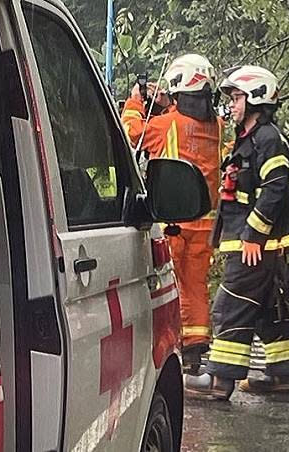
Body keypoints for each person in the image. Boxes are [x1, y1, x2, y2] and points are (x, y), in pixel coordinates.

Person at [185, 65, 289, 400]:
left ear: (257, 97)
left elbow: (275, 189)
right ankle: (282, 377)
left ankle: (219, 382)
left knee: (230, 306)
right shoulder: (252, 140)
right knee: (267, 308)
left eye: (236, 98)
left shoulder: (267, 139)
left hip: (257, 244)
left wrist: (253, 236)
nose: (231, 105)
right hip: (260, 243)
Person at [120, 54, 222, 371]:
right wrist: (165, 102)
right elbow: (186, 128)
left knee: (171, 287)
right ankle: (195, 348)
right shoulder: (216, 126)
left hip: (175, 224)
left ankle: (173, 344)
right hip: (207, 224)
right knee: (196, 286)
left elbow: (130, 132)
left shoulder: (166, 125)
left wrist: (136, 102)